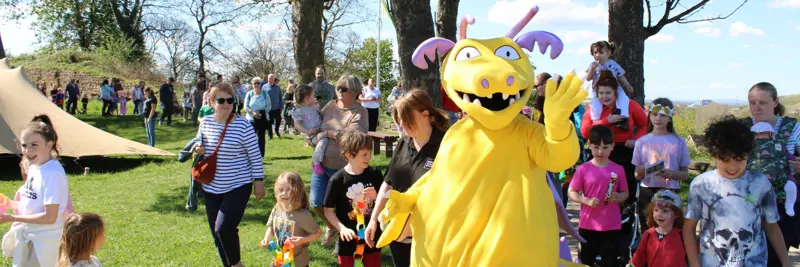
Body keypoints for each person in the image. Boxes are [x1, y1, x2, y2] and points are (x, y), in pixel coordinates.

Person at [684, 115, 789, 267]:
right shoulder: (701, 185)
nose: (732, 166)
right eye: (725, 160)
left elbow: (771, 226)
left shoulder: (761, 184)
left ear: (748, 154)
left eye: (739, 159)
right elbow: (689, 228)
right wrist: (695, 264)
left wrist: (786, 263)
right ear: (714, 155)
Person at [364, 89, 450, 267]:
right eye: (399, 120)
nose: (402, 125)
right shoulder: (403, 143)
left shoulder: (446, 145)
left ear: (425, 114)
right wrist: (373, 219)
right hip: (398, 232)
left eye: (406, 119)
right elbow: (388, 183)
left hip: (431, 236)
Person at [193, 82, 265, 267]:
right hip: (211, 187)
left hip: (237, 185)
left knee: (224, 228)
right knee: (216, 233)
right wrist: (198, 148)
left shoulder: (243, 125)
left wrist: (258, 181)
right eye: (221, 100)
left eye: (230, 100)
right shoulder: (206, 123)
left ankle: (236, 264)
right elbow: (198, 145)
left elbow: (255, 156)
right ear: (211, 102)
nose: (226, 104)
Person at [740, 82, 800, 266]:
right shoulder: (742, 128)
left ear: (775, 102)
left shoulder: (793, 128)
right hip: (748, 203)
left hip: (782, 204)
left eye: (762, 102)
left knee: (774, 258)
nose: (756, 107)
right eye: (752, 102)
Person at [0, 115, 72, 266]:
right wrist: (9, 204)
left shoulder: (52, 173)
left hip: (44, 244)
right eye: (24, 145)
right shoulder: (34, 167)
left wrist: (13, 219)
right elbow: (31, 205)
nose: (28, 150)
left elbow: (50, 217)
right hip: (30, 238)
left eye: (34, 145)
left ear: (49, 145)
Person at [310, 75, 368, 248]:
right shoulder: (329, 106)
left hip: (345, 169)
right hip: (321, 165)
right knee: (316, 202)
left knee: (344, 207)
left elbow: (353, 137)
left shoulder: (360, 112)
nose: (340, 92)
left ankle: (343, 239)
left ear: (356, 92)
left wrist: (327, 133)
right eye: (338, 88)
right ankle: (332, 228)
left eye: (344, 89)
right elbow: (316, 123)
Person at [580, 70, 647, 212]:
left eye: (608, 93)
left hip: (624, 152)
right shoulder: (593, 109)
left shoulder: (629, 105)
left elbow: (645, 125)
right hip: (601, 152)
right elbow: (585, 131)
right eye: (601, 93)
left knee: (624, 189)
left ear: (616, 92)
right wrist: (606, 121)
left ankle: (624, 218)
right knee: (599, 188)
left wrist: (635, 140)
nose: (604, 97)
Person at [568, 124, 629, 267]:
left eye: (605, 147)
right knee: (585, 262)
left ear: (613, 146)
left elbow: (625, 192)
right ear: (589, 145)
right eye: (596, 147)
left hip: (612, 225)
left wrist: (619, 197)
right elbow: (571, 191)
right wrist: (585, 200)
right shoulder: (583, 169)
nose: (600, 151)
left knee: (610, 262)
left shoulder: (618, 169)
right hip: (588, 225)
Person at [323, 131, 383, 267]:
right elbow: (328, 210)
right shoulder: (337, 180)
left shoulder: (375, 174)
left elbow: (385, 202)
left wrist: (377, 196)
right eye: (364, 154)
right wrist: (341, 228)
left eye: (369, 153)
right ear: (349, 155)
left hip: (371, 237)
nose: (369, 157)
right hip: (348, 240)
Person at [631, 98, 690, 232]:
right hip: (647, 192)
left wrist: (671, 173)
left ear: (670, 118)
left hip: (670, 192)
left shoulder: (678, 142)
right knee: (648, 232)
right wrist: (639, 172)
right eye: (655, 114)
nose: (658, 118)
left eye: (663, 115)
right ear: (649, 116)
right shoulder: (641, 142)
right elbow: (636, 174)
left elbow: (685, 174)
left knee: (670, 232)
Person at [259, 172, 321, 267]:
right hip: (280, 257)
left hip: (298, 262)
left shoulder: (303, 215)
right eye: (280, 190)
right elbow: (271, 227)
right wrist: (266, 239)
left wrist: (303, 240)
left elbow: (318, 233)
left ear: (298, 191)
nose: (284, 193)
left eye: (289, 189)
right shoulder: (277, 209)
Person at [628, 190, 687, 267]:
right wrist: (631, 265)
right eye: (656, 210)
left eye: (665, 211)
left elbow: (696, 255)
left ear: (677, 215)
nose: (659, 214)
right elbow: (639, 256)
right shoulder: (649, 234)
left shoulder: (683, 236)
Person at [586, 41, 635, 130]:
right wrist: (591, 69)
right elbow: (588, 78)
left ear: (608, 53)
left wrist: (628, 85)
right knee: (595, 106)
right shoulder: (593, 65)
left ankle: (623, 119)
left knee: (624, 99)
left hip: (615, 89)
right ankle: (596, 122)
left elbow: (620, 76)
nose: (597, 55)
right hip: (597, 91)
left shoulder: (613, 64)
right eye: (595, 53)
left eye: (601, 52)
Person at [752, 122, 798, 217]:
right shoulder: (750, 147)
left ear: (770, 134)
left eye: (763, 133)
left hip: (782, 174)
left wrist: (794, 159)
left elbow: (788, 155)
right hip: (759, 177)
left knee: (791, 186)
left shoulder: (779, 145)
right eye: (758, 134)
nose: (761, 136)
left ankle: (789, 205)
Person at [292, 85, 328, 175]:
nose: (315, 97)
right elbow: (297, 125)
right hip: (312, 135)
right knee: (324, 140)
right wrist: (307, 131)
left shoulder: (314, 106)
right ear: (307, 99)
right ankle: (316, 162)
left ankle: (320, 161)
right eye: (313, 95)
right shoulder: (300, 111)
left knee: (323, 141)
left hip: (318, 131)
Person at [244, 77, 272, 157]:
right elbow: (245, 106)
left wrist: (262, 113)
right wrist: (253, 113)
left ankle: (261, 155)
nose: (256, 85)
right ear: (252, 85)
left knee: (261, 138)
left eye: (258, 83)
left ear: (260, 84)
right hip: (251, 119)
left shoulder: (265, 93)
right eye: (254, 83)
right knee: (251, 138)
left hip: (262, 119)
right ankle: (251, 155)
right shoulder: (249, 94)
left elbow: (269, 105)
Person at [263, 74, 284, 139]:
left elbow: (280, 97)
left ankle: (276, 130)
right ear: (268, 79)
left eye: (272, 78)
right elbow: (262, 97)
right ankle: (270, 135)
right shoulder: (264, 87)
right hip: (268, 108)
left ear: (274, 79)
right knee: (269, 122)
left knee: (278, 120)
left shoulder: (277, 87)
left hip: (277, 107)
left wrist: (281, 106)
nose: (270, 79)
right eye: (269, 78)